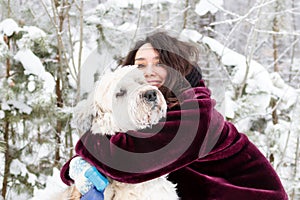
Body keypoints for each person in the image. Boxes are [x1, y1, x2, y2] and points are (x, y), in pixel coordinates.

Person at [61, 31, 288, 199]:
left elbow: (128, 161)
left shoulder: (196, 113)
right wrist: (75, 168)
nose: (148, 71)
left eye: (158, 64)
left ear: (176, 68)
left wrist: (87, 143)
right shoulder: (151, 112)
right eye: (140, 65)